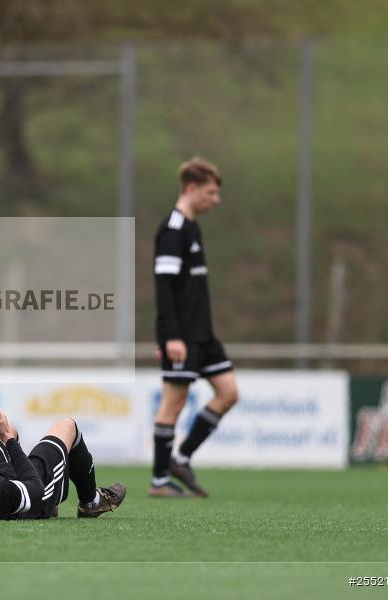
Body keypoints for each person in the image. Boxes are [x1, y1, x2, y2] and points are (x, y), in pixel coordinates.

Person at [150, 157, 239, 498]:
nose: (215, 200)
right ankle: (159, 481)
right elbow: (164, 287)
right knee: (174, 402)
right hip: (182, 335)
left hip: (204, 333)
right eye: (211, 192)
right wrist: (170, 335)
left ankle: (181, 458)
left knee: (229, 393)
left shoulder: (192, 227)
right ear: (191, 188)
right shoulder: (172, 230)